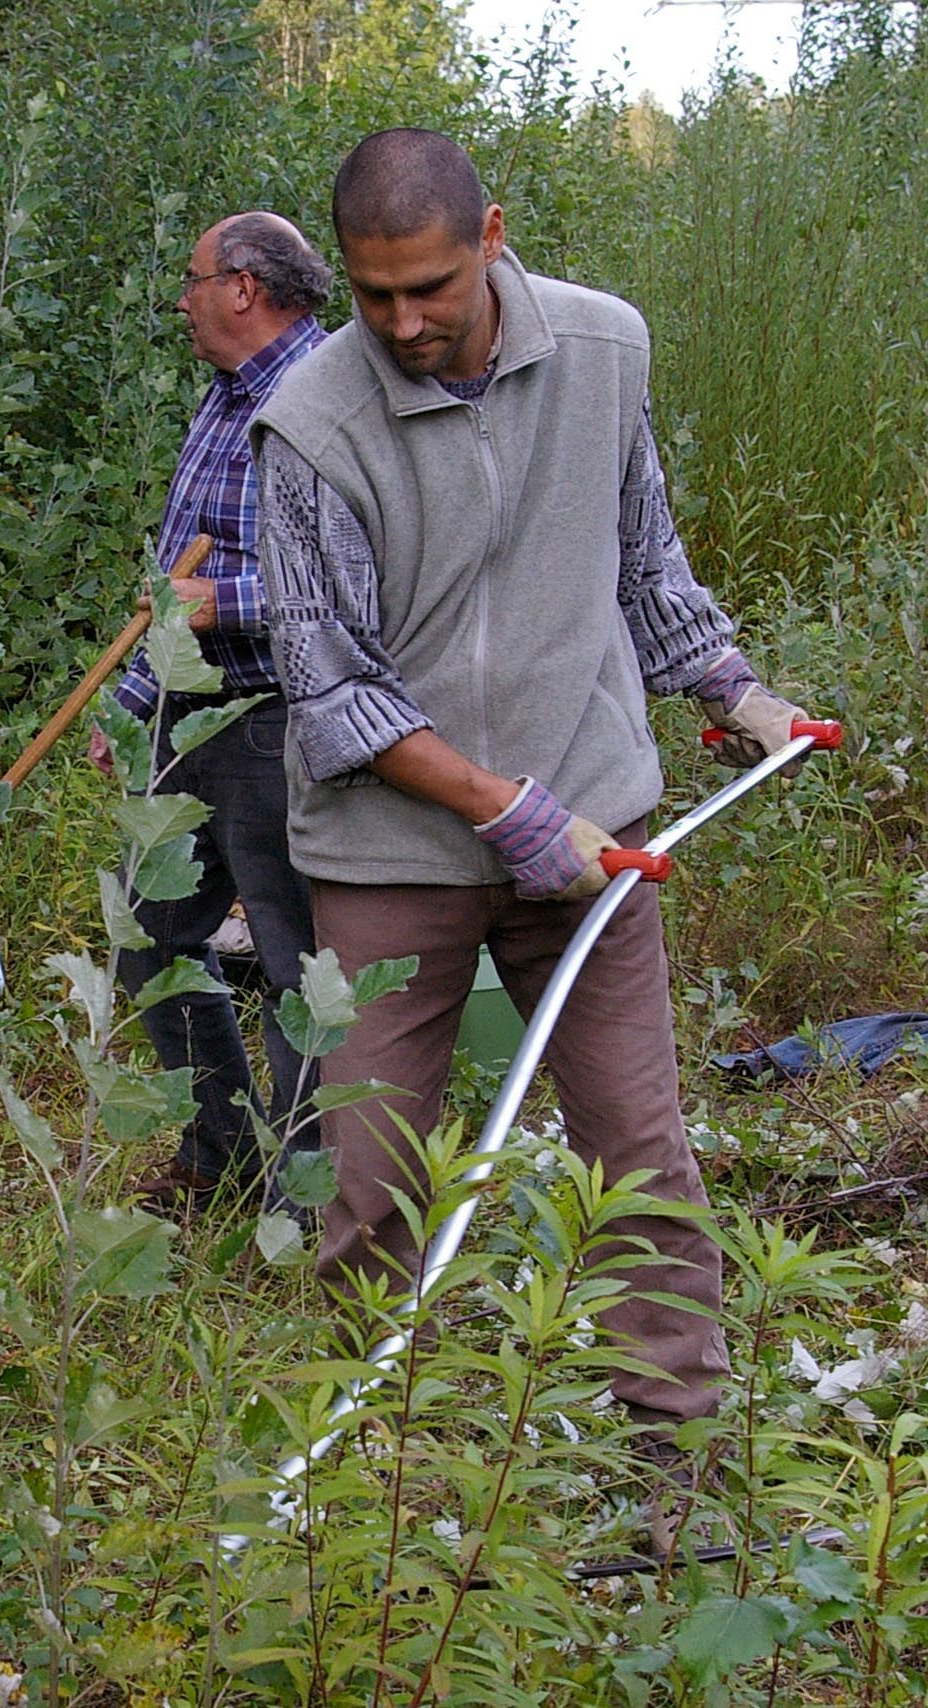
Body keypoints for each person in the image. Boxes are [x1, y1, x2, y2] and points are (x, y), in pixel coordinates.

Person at [251, 130, 817, 1505]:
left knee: (640, 1150)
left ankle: (674, 1456)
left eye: (430, 287)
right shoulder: (311, 426)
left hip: (594, 845)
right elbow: (328, 693)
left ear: (491, 233)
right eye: (376, 297)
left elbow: (647, 567)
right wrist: (510, 813)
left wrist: (739, 693)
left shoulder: (605, 355)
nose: (404, 324)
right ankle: (374, 1479)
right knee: (372, 1182)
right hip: (390, 862)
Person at [91, 211, 333, 1217]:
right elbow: (171, 579)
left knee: (292, 971)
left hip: (277, 718)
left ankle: (306, 1200)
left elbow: (358, 591)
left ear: (241, 286)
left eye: (190, 282)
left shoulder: (327, 400)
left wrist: (218, 603)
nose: (180, 303)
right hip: (187, 716)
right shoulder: (224, 397)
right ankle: (220, 1147)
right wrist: (133, 697)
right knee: (149, 935)